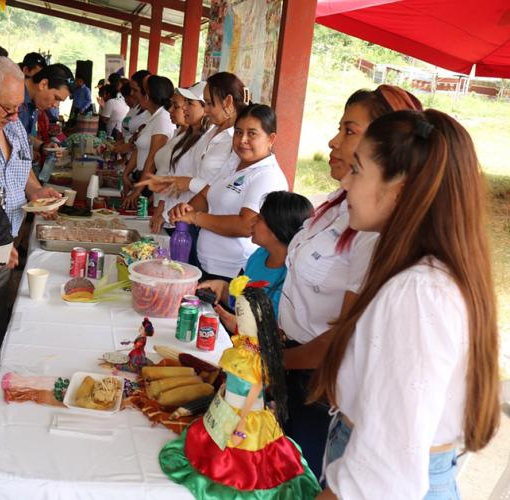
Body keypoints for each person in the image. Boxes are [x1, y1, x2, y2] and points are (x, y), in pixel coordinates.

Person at [312, 109, 501, 499]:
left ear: (400, 190)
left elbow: (378, 481)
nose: (345, 182)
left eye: (358, 170)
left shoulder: (418, 294)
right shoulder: (430, 277)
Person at [278, 85, 423, 478]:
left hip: (316, 384)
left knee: (303, 476)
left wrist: (275, 363)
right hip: (290, 364)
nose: (333, 140)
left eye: (349, 130)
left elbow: (342, 340)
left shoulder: (375, 233)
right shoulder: (338, 202)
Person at [0, 55, 61, 427]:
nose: (14, 114)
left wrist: (40, 191)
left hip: (6, 251)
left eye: (19, 106)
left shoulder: (15, 126)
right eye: (8, 107)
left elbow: (24, 172)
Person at [159, 286, 321, 498]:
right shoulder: (241, 347)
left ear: (258, 317)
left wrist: (242, 422)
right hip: (227, 408)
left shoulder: (257, 357)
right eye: (239, 312)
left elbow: (255, 390)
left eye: (243, 313)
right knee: (210, 446)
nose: (239, 318)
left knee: (245, 465)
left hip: (246, 415)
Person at [169, 104, 288, 280]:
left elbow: (246, 225)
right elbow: (207, 194)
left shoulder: (267, 176)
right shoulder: (234, 161)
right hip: (206, 263)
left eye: (252, 133)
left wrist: (195, 218)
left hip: (232, 273)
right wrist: (185, 209)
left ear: (271, 138)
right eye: (238, 132)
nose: (242, 140)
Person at [198, 190, 314, 331]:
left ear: (277, 230)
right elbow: (242, 300)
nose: (252, 221)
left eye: (259, 218)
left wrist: (243, 326)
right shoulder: (260, 255)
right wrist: (222, 288)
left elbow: (278, 330)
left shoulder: (292, 276)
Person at [121, 74, 175, 208]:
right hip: (141, 179)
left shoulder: (163, 119)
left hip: (148, 184)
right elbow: (139, 149)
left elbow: (152, 159)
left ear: (147, 96)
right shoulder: (152, 117)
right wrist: (126, 173)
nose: (133, 95)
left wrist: (138, 190)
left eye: (136, 91)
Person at [149, 88, 188, 233]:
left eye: (176, 106)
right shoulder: (177, 133)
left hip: (174, 216)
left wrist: (163, 212)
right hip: (163, 206)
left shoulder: (198, 141)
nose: (170, 109)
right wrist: (160, 205)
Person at [18, 62, 73, 155]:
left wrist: (42, 146)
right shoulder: (15, 97)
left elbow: (21, 135)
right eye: (56, 98)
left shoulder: (34, 103)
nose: (56, 105)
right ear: (43, 84)